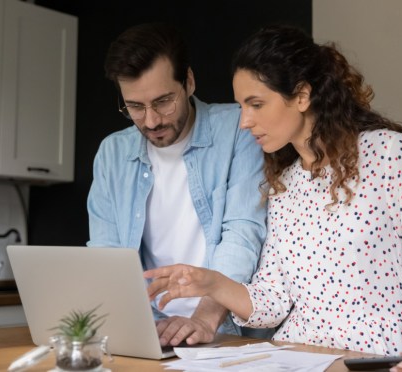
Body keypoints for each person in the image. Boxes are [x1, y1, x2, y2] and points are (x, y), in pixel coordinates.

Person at [144, 25, 402, 371]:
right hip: (295, 359)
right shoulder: (284, 184)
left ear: (301, 96)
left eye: (256, 104)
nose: (244, 121)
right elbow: (273, 301)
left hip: (373, 358)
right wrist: (210, 281)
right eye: (241, 105)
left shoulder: (386, 153)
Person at [86, 23, 267, 347]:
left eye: (163, 101)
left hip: (223, 328)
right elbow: (106, 255)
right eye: (136, 107)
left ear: (189, 82)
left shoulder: (239, 129)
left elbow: (242, 233)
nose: (152, 121)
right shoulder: (112, 154)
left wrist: (204, 319)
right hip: (150, 329)